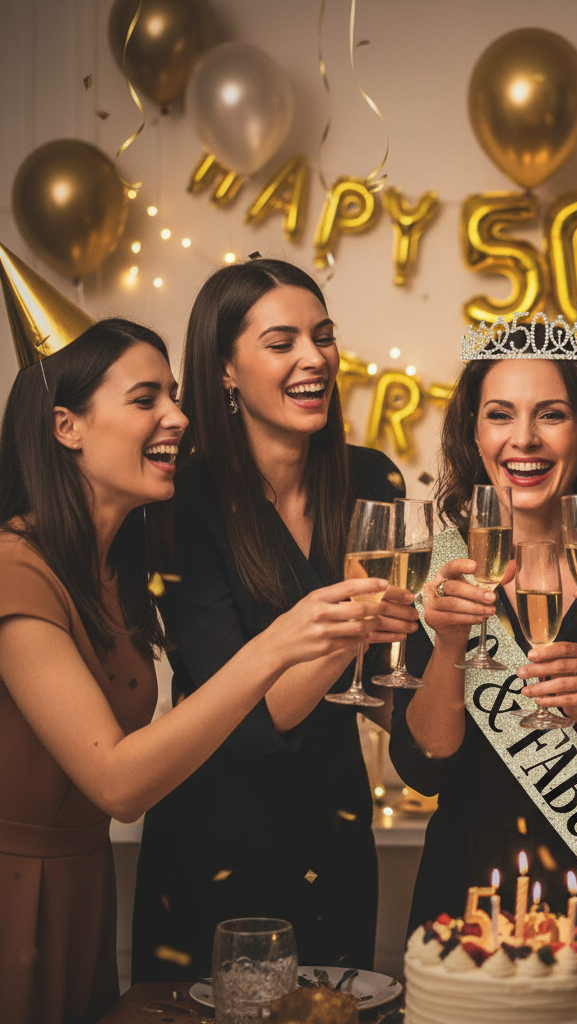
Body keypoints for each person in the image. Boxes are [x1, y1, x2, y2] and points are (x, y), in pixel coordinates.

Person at [0, 319, 399, 1024]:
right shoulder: (14, 571)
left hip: (83, 890)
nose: (178, 418)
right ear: (66, 426)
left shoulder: (114, 569)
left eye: (175, 397)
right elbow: (119, 782)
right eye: (146, 398)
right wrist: (279, 643)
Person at [388, 313, 577, 984]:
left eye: (551, 415)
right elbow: (422, 769)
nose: (522, 439)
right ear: (474, 434)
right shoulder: (439, 571)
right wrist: (448, 646)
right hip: (468, 893)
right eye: (500, 415)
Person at [131, 260, 418, 982]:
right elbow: (254, 724)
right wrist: (352, 626)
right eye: (282, 341)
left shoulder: (372, 480)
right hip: (213, 841)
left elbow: (399, 704)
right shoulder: (177, 497)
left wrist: (451, 638)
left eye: (322, 337)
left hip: (337, 831)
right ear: (225, 369)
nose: (314, 358)